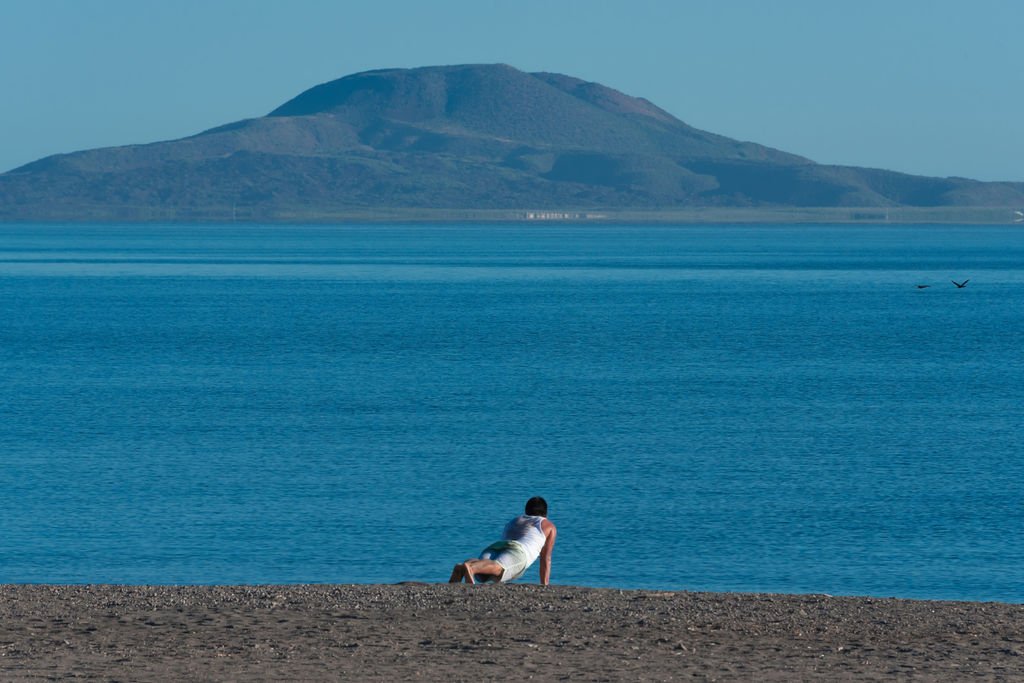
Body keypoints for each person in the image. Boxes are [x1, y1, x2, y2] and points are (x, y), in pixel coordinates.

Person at [449, 496, 557, 585]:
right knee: (500, 568)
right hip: (518, 551)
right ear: (545, 513)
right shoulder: (548, 525)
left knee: (485, 575)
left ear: (526, 510)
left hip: (496, 548)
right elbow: (545, 558)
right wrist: (544, 584)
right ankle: (471, 567)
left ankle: (465, 566)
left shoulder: (514, 520)